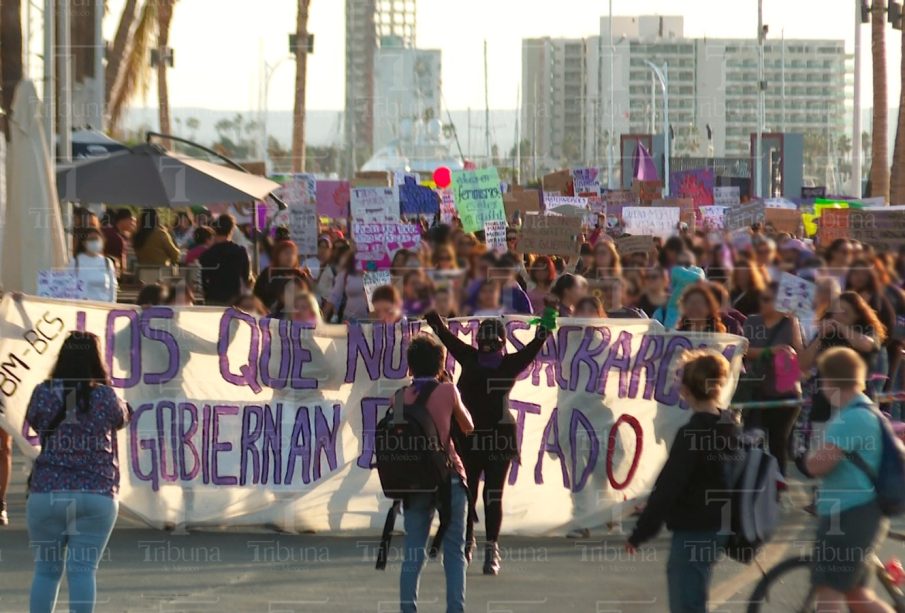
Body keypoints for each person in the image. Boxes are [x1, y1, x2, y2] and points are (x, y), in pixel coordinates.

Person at [424, 311, 550, 575]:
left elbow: (538, 341)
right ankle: (468, 541)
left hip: (498, 440)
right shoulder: (473, 357)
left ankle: (491, 547)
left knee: (493, 494)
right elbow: (444, 335)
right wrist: (434, 318)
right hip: (469, 438)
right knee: (468, 495)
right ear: (478, 340)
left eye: (491, 341)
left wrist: (550, 315)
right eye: (484, 340)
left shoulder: (503, 363)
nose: (487, 346)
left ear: (501, 343)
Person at [626, 350, 738, 613]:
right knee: (695, 597)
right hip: (719, 525)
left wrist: (641, 532)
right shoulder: (729, 425)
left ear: (685, 390)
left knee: (687, 603)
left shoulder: (693, 432)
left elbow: (668, 486)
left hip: (694, 527)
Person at [25, 332, 130, 613]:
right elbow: (123, 417)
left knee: (46, 571)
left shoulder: (42, 392)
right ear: (96, 361)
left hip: (47, 492)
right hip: (96, 494)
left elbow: (34, 424)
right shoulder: (105, 396)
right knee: (82, 571)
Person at [805, 347, 891, 613]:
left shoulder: (850, 418)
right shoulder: (867, 410)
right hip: (863, 511)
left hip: (849, 514)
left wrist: (808, 459)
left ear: (830, 381)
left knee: (830, 593)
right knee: (857, 597)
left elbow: (819, 465)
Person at [399, 334, 474, 613]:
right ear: (441, 365)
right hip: (449, 477)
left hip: (414, 483)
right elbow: (468, 426)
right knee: (454, 552)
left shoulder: (398, 397)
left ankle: (408, 609)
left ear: (409, 368)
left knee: (413, 554)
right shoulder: (448, 391)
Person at [742, 281, 804, 476]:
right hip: (757, 391)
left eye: (768, 299)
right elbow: (744, 350)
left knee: (779, 441)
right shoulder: (752, 321)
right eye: (762, 298)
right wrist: (771, 351)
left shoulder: (789, 325)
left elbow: (801, 358)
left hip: (785, 393)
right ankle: (754, 482)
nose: (762, 302)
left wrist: (794, 323)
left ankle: (778, 485)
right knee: (753, 441)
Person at [199, 214, 251, 306]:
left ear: (214, 230)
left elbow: (203, 280)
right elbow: (246, 278)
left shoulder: (207, 254)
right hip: (235, 301)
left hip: (213, 299)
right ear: (231, 230)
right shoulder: (240, 252)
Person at [253, 241, 311, 313]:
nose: (290, 256)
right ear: (278, 255)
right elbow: (258, 296)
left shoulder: (300, 275)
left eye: (293, 253)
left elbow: (309, 298)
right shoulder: (268, 273)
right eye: (286, 253)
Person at [69, 228, 117, 303]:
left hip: (103, 306)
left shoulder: (107, 262)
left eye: (96, 239)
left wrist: (112, 305)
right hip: (82, 306)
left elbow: (113, 287)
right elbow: (69, 285)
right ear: (84, 243)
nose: (94, 242)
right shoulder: (75, 262)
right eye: (91, 239)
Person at [323, 251, 368, 322]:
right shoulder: (345, 275)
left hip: (369, 319)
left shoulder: (373, 275)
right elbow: (334, 295)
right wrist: (323, 316)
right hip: (350, 318)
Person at [102, 208, 136, 276]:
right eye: (131, 220)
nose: (134, 224)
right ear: (123, 220)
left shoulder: (106, 231)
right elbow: (122, 267)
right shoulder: (118, 239)